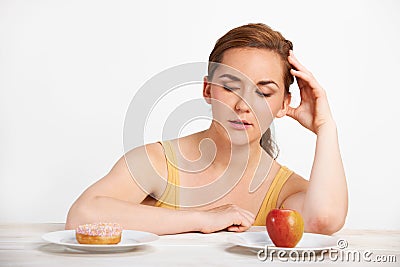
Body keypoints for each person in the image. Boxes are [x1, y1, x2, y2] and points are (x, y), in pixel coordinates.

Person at [65, 23, 348, 235]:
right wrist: (204, 218)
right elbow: (81, 216)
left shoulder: (285, 188)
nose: (243, 105)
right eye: (230, 86)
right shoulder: (157, 163)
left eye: (264, 92)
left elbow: (324, 220)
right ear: (207, 89)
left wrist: (326, 127)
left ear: (284, 104)